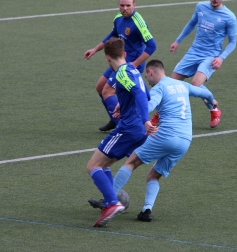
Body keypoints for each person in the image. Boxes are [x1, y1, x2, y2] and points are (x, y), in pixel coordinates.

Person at [90, 59, 217, 222]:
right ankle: (146, 210)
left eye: (146, 77)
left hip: (165, 135)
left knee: (131, 162)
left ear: (150, 72)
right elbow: (205, 94)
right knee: (154, 175)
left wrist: (124, 106)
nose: (147, 82)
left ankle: (109, 200)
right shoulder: (182, 85)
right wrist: (212, 105)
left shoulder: (160, 88)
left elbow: (148, 107)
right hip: (185, 140)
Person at [86, 38, 157, 227]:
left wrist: (145, 120)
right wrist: (121, 105)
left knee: (93, 166)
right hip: (138, 131)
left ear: (107, 58)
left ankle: (111, 203)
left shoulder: (121, 74)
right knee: (105, 164)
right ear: (124, 54)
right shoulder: (134, 70)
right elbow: (146, 94)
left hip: (129, 128)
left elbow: (140, 95)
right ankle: (109, 200)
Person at [151, 0, 237, 128]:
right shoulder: (200, 7)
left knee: (196, 83)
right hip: (193, 52)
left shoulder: (229, 17)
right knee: (170, 84)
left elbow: (233, 42)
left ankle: (214, 109)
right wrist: (177, 41)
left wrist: (221, 57)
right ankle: (159, 115)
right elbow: (191, 24)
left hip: (210, 56)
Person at [84, 0, 156, 132]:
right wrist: (95, 49)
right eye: (122, 5)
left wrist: (134, 64)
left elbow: (152, 45)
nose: (125, 8)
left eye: (128, 5)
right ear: (118, 5)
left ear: (134, 5)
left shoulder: (139, 23)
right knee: (100, 87)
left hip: (129, 65)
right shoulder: (118, 18)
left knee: (107, 92)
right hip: (118, 60)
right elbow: (112, 35)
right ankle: (114, 119)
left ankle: (126, 125)